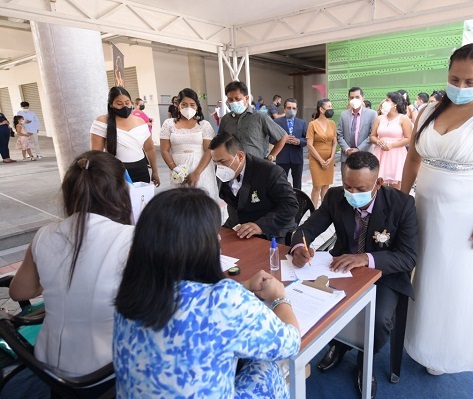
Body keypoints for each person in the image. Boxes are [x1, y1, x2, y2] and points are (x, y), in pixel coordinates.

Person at [113, 188, 301, 398]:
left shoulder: (134, 291)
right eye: (215, 234)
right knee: (269, 367)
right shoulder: (222, 300)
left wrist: (245, 285)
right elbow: (291, 343)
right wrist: (279, 298)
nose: (219, 241)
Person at [402, 43, 473, 377]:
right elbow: (413, 158)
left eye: (470, 82)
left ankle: (447, 350)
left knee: (455, 281)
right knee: (423, 273)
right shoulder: (428, 111)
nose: (461, 87)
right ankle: (419, 338)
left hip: (468, 211)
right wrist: (399, 200)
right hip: (424, 204)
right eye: (455, 79)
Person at [291, 151, 418, 397]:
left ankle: (364, 357)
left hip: (384, 274)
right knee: (316, 301)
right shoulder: (336, 197)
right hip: (340, 266)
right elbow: (307, 228)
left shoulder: (402, 205)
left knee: (380, 320)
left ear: (378, 183)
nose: (352, 194)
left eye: (360, 188)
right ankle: (338, 344)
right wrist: (299, 247)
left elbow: (408, 257)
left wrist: (365, 258)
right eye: (347, 185)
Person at [9, 150, 134, 377]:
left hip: (48, 363)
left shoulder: (44, 234)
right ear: (121, 193)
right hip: (106, 369)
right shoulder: (130, 238)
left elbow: (19, 291)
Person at [209, 132, 298, 242]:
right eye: (215, 162)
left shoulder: (269, 172)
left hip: (270, 231)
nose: (219, 167)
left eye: (222, 161)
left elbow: (290, 205)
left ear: (240, 156)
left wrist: (260, 226)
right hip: (238, 227)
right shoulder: (221, 172)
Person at [90, 86, 160, 185]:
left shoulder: (140, 122)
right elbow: (96, 153)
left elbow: (150, 149)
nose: (125, 107)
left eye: (127, 103)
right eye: (119, 104)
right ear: (111, 104)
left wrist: (155, 171)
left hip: (141, 170)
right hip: (115, 171)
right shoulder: (101, 122)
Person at [160, 88, 219, 201]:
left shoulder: (204, 125)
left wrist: (197, 173)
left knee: (203, 202)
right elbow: (164, 150)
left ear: (197, 107)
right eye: (184, 104)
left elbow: (209, 150)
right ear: (178, 106)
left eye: (192, 105)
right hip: (178, 167)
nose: (188, 108)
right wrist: (175, 170)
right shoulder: (168, 124)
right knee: (182, 203)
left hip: (202, 169)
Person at [218, 81, 287, 161]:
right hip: (232, 166)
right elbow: (220, 141)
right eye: (230, 100)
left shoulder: (260, 117)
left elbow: (283, 136)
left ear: (246, 98)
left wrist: (270, 157)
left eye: (237, 99)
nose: (234, 102)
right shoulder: (226, 119)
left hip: (255, 165)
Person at [370, 92, 412, 189]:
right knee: (379, 184)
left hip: (396, 154)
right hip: (380, 152)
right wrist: (378, 141)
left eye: (387, 100)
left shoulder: (403, 118)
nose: (384, 102)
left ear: (395, 103)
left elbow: (408, 138)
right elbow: (372, 136)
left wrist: (392, 145)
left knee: (396, 186)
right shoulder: (379, 118)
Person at [337, 87, 377, 177]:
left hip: (364, 155)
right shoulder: (343, 114)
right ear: (348, 99)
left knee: (363, 185)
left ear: (363, 98)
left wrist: (358, 149)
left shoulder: (372, 114)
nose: (354, 100)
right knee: (347, 184)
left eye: (357, 97)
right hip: (347, 155)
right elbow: (339, 134)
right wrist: (347, 149)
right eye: (352, 98)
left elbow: (372, 134)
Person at [307, 98, 337, 207]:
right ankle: (313, 210)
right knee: (317, 186)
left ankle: (325, 210)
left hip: (329, 159)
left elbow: (334, 142)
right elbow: (309, 145)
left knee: (326, 186)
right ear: (321, 109)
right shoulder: (312, 124)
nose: (331, 109)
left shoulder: (332, 123)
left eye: (331, 106)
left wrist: (331, 158)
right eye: (329, 106)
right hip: (316, 160)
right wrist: (320, 160)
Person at [274, 98, 307, 190]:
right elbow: (270, 138)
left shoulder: (302, 123)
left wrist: (299, 141)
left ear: (296, 109)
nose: (291, 110)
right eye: (289, 108)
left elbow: (307, 139)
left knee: (297, 184)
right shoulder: (276, 122)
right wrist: (283, 140)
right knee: (280, 183)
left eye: (294, 108)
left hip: (297, 157)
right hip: (282, 157)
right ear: (284, 109)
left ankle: (298, 202)